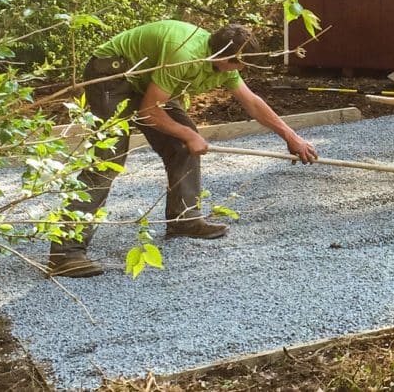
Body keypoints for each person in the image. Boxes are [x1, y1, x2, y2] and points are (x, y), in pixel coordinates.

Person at [48, 20, 319, 278]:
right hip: (111, 73)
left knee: (183, 146)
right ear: (222, 56)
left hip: (146, 80)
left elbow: (251, 101)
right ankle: (65, 254)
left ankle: (184, 219)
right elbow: (149, 112)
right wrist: (189, 134)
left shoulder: (225, 60)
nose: (241, 69)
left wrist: (290, 136)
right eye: (238, 63)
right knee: (107, 159)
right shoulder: (184, 54)